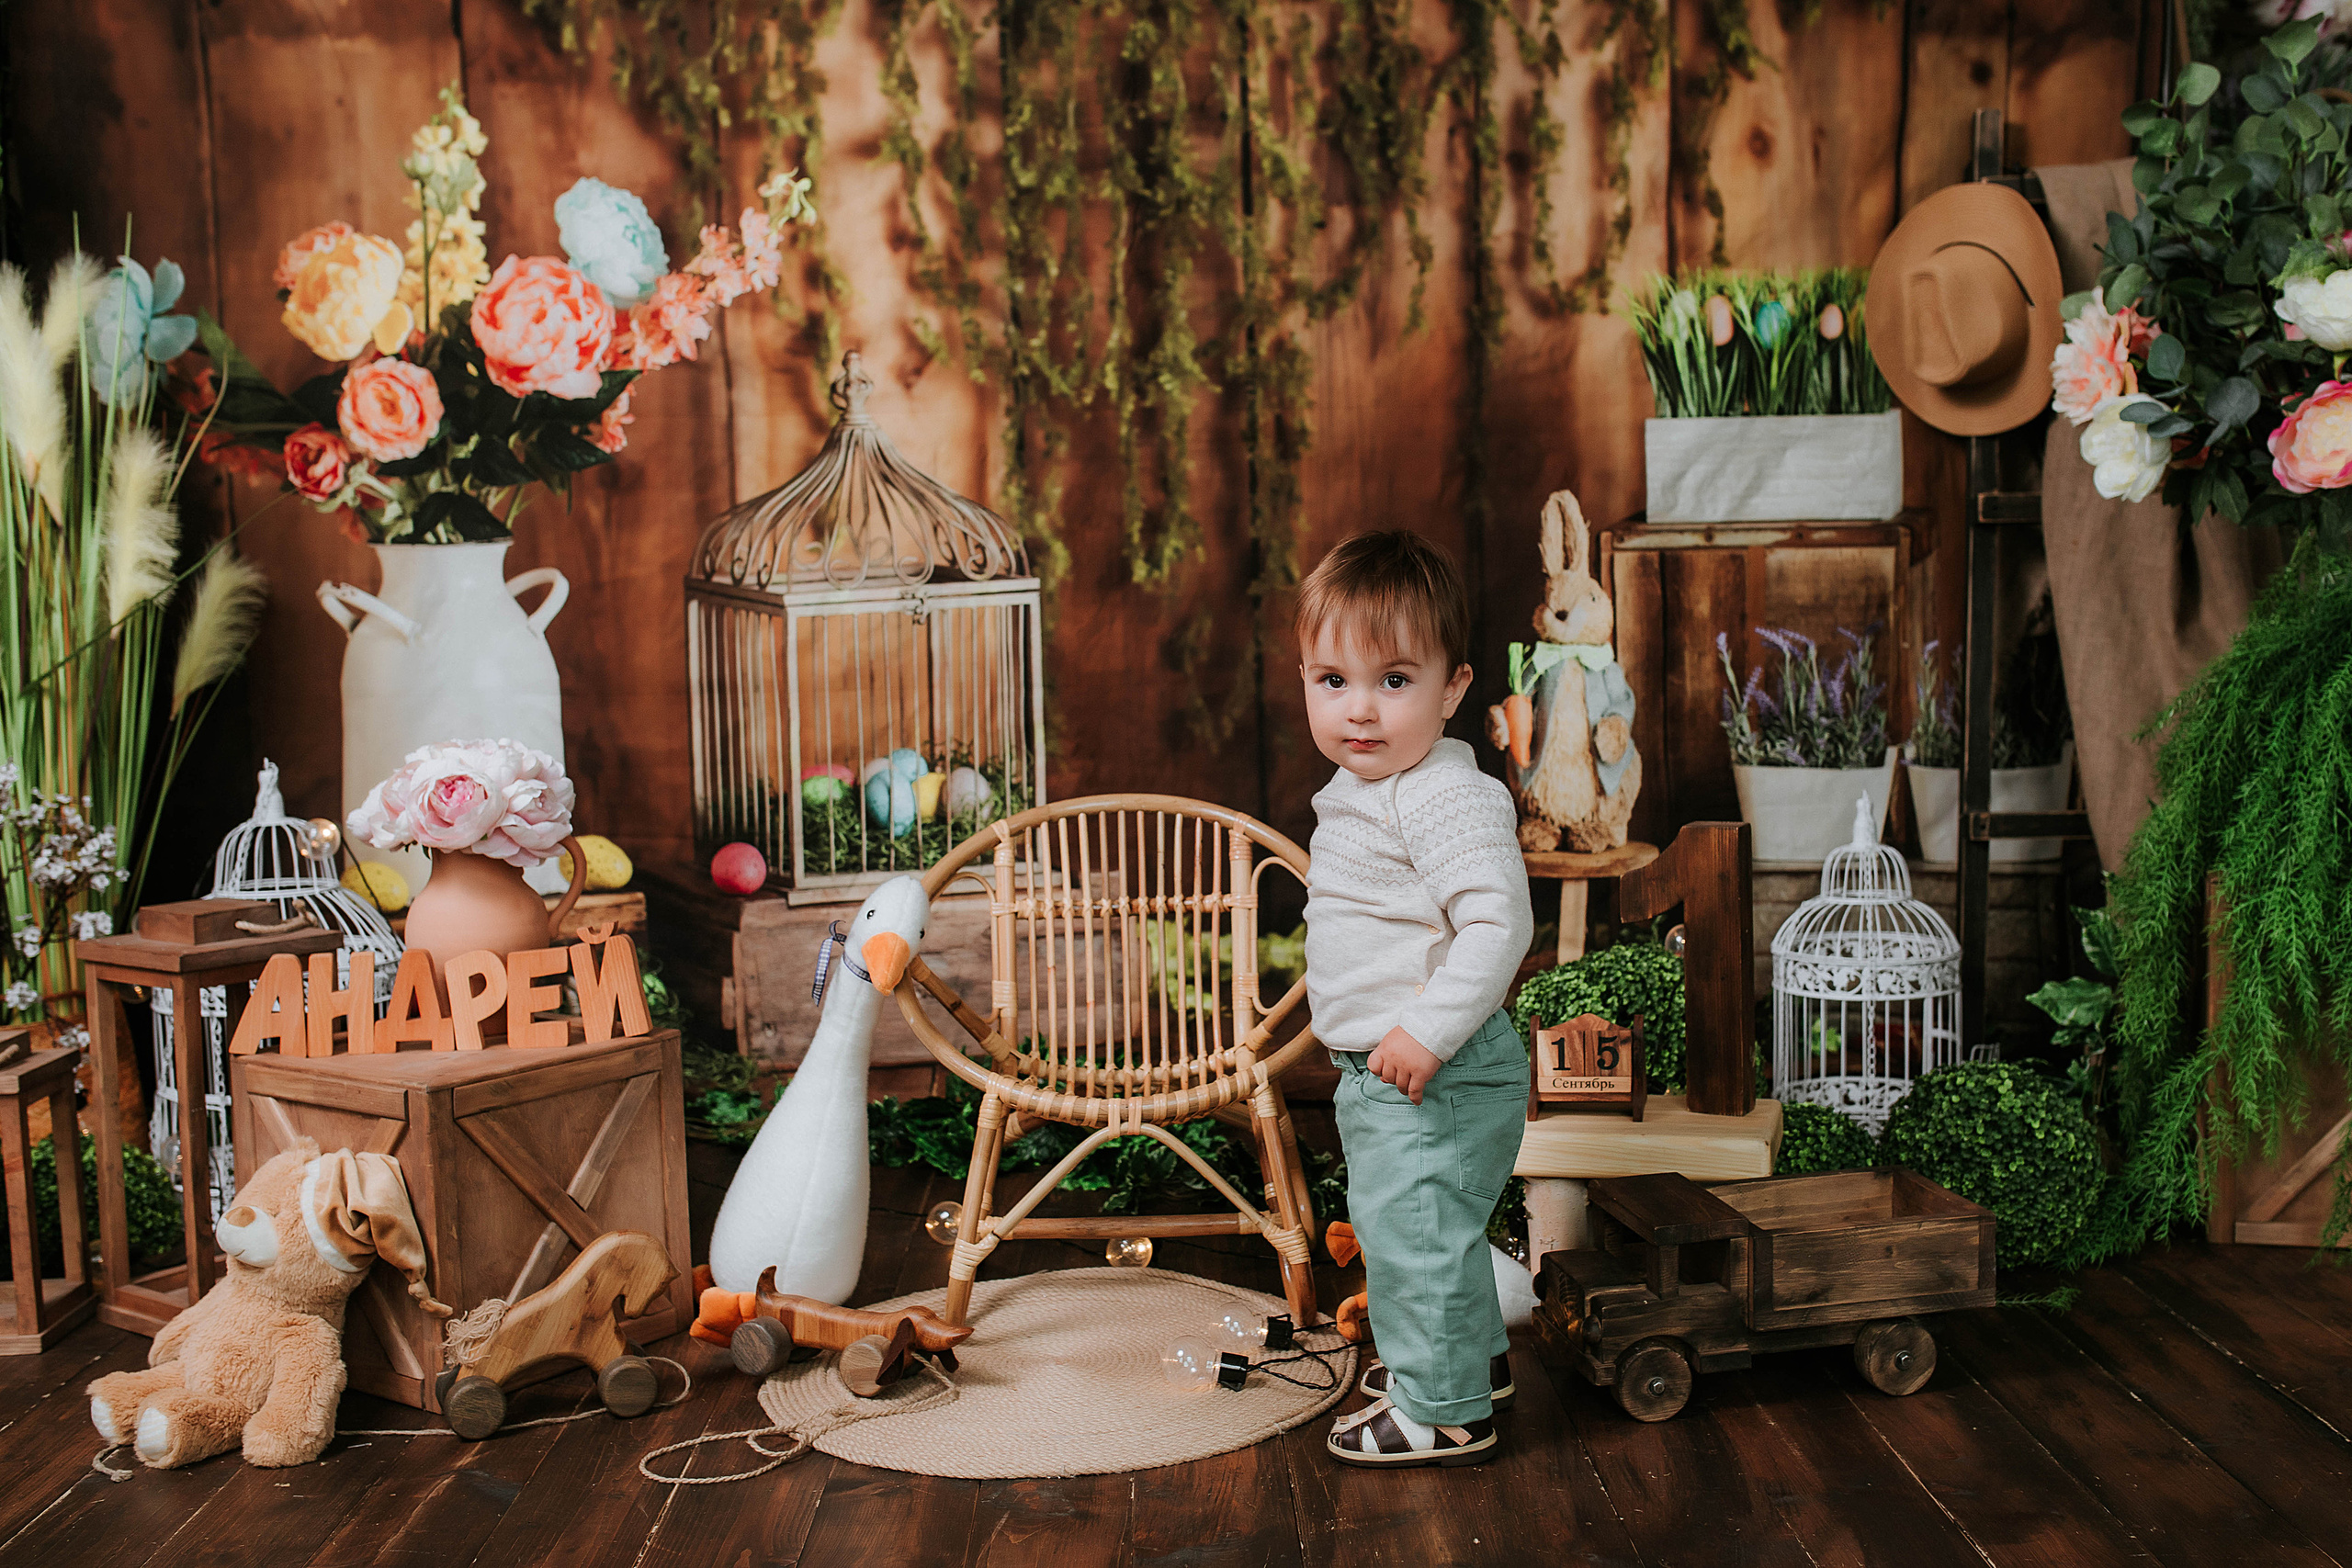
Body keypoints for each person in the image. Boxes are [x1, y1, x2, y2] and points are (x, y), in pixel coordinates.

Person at [1299, 529, 1533, 1468]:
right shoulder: (1373, 784)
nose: (1360, 709)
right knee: (1433, 1226)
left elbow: (1496, 927)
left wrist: (1426, 1031)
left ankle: (1443, 1411)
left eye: (1393, 680)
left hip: (1434, 1065)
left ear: (1452, 687)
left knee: (1412, 1237)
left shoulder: (1442, 795)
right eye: (1331, 680)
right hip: (1397, 1065)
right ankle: (1470, 1363)